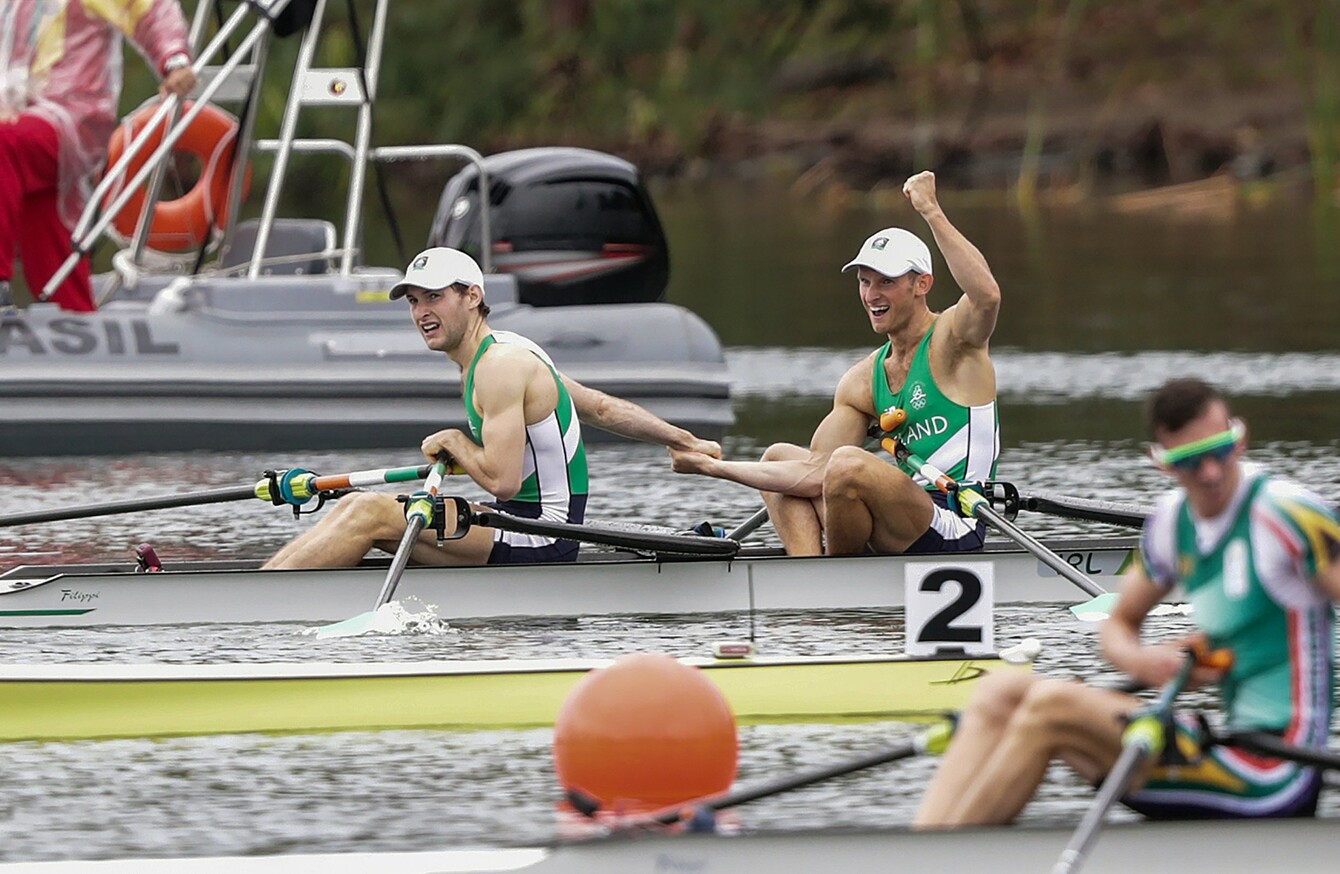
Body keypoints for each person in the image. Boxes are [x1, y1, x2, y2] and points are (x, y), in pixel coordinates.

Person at [914, 377, 1340, 827]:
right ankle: (923, 852)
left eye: (1219, 451)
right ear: (1163, 464)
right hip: (1225, 745)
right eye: (1191, 462)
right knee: (1000, 690)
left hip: (1281, 771)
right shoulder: (1173, 525)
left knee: (1053, 705)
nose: (1211, 473)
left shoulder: (1287, 515)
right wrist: (1146, 663)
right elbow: (1117, 628)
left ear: (1240, 438)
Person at [263, 246, 722, 569]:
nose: (421, 312)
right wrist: (685, 440)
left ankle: (256, 615)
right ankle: (266, 592)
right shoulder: (508, 349)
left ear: (472, 296)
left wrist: (457, 442)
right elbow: (598, 407)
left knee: (368, 515)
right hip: (519, 520)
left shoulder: (498, 367)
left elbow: (504, 482)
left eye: (435, 297)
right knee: (358, 505)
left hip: (545, 535)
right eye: (414, 301)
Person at [670, 170, 1001, 556]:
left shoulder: (952, 342)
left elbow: (987, 297)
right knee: (779, 458)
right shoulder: (862, 381)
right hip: (903, 516)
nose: (871, 295)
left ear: (922, 285)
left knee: (847, 464)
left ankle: (836, 579)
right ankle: (812, 581)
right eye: (864, 282)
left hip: (957, 522)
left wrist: (930, 210)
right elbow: (813, 474)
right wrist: (716, 469)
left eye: (886, 282)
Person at [0, 0, 197, 312]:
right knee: (43, 215)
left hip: (72, 115)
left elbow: (148, 9)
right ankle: (75, 320)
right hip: (19, 119)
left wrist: (174, 60)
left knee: (6, 147)